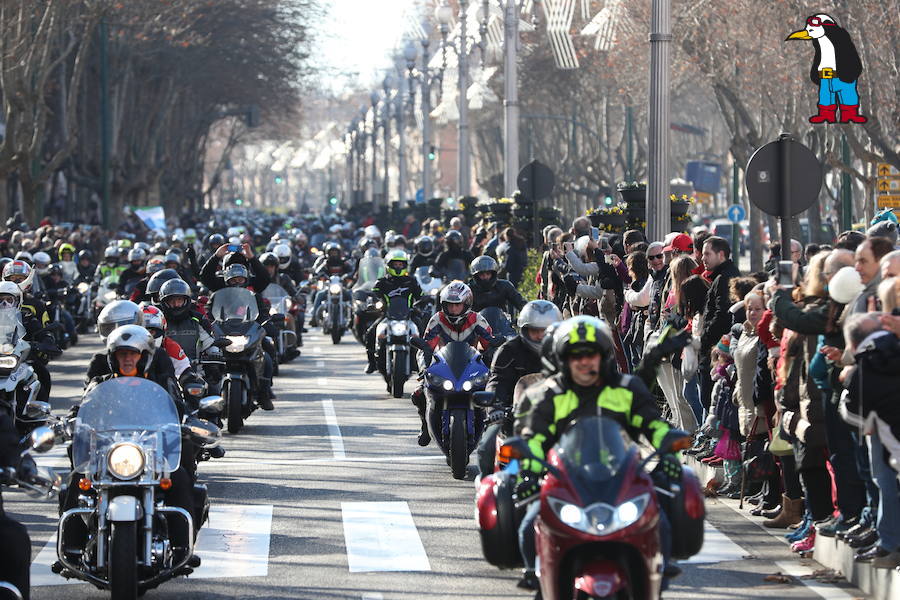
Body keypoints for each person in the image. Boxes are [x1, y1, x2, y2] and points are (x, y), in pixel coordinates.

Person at [514, 316, 683, 590]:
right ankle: (538, 576)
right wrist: (530, 474)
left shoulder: (626, 389)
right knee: (530, 523)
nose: (583, 362)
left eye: (590, 354)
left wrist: (669, 454)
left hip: (622, 478)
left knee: (660, 519)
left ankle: (657, 573)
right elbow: (533, 439)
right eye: (575, 355)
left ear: (603, 356)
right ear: (563, 360)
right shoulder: (550, 395)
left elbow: (654, 426)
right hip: (564, 481)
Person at [58, 325, 200, 570]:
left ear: (143, 357)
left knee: (180, 478)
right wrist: (69, 422)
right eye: (121, 354)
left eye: (132, 354)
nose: (127, 359)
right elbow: (83, 407)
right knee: (76, 480)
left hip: (149, 452)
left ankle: (182, 548)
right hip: (109, 452)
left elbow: (176, 411)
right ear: (113, 358)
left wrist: (186, 424)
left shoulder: (160, 385)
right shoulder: (100, 385)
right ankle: (70, 547)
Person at [477, 300, 562, 476]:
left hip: (559, 417)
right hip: (515, 420)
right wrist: (495, 408)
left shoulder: (565, 352)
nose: (540, 336)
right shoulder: (508, 350)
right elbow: (497, 381)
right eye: (535, 330)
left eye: (545, 330)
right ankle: (493, 492)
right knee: (488, 448)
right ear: (524, 330)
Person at [410, 282, 496, 446]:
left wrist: (493, 345)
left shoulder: (477, 319)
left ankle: (494, 429)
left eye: (457, 305)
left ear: (467, 304)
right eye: (450, 305)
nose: (454, 309)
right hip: (445, 366)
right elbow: (428, 346)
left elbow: (487, 345)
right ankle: (425, 426)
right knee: (418, 393)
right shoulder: (437, 319)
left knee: (493, 393)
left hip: (472, 368)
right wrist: (424, 370)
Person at [698, 236, 741, 414]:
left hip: (717, 349)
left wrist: (703, 338)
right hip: (716, 347)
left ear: (721, 254)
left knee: (712, 400)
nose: (703, 259)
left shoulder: (725, 278)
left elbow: (721, 315)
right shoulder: (722, 276)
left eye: (707, 254)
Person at [363, 249, 422, 374]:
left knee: (423, 331)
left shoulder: (411, 281)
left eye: (401, 264)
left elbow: (420, 295)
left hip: (409, 315)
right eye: (395, 264)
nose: (398, 267)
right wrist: (373, 303)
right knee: (370, 333)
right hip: (387, 315)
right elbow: (374, 294)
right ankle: (372, 363)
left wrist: (422, 303)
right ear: (389, 265)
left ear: (405, 265)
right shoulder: (382, 281)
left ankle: (421, 362)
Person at [309, 242, 353, 326]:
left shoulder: (344, 263)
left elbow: (351, 270)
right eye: (332, 253)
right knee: (319, 295)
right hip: (328, 288)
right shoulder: (325, 263)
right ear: (327, 253)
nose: (334, 255)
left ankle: (353, 318)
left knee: (351, 295)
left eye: (335, 253)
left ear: (339, 253)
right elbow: (318, 271)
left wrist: (348, 276)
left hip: (342, 288)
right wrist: (318, 275)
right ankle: (314, 317)